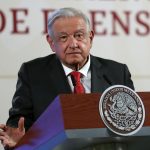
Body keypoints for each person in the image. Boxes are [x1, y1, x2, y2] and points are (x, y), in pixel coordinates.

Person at [0, 7, 134, 149]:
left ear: (91, 37)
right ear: (51, 42)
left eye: (79, 35)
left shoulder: (118, 72)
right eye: (63, 37)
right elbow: (19, 122)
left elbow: (132, 122)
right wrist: (19, 141)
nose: (73, 44)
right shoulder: (32, 73)